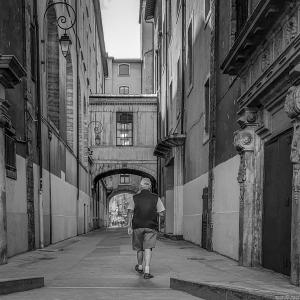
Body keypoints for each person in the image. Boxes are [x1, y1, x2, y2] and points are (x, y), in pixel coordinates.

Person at [127, 177, 165, 279]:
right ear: (150, 187)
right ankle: (147, 271)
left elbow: (130, 212)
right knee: (148, 248)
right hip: (151, 226)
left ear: (141, 186)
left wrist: (129, 226)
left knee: (139, 248)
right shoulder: (156, 198)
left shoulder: (134, 198)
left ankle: (140, 267)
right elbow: (161, 213)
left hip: (137, 226)